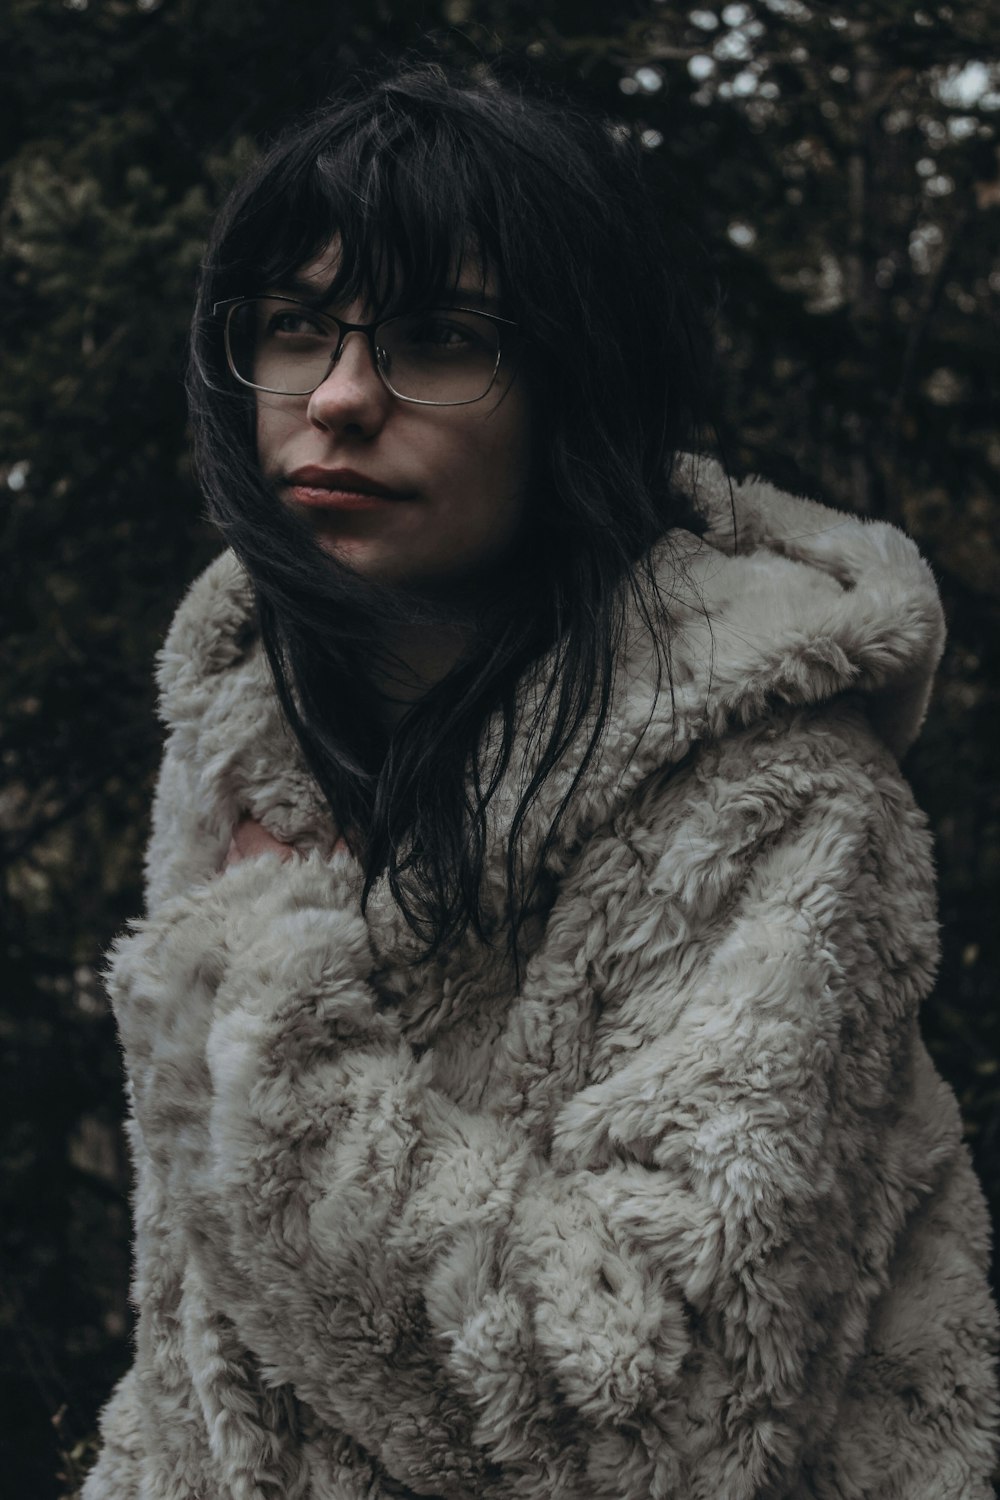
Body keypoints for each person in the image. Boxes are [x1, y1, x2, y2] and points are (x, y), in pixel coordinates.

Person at [82, 61, 998, 1500]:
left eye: (440, 338)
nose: (336, 397)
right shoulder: (256, 736)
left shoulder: (776, 797)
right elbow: (202, 1348)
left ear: (577, 378)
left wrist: (265, 1017)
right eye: (292, 328)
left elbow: (651, 1414)